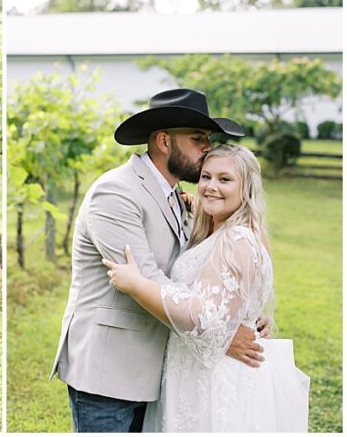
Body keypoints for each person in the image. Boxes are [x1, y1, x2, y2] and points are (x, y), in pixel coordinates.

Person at [50, 88, 269, 432]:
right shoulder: (117, 192)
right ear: (165, 141)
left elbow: (204, 272)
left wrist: (238, 313)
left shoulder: (177, 197)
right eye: (198, 139)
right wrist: (221, 333)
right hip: (110, 370)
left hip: (157, 366)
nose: (207, 147)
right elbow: (149, 280)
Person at [104, 144, 309, 431]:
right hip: (198, 369)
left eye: (225, 180)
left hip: (214, 377)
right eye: (206, 177)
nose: (211, 186)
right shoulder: (228, 227)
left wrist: (136, 285)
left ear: (246, 187)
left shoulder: (236, 238)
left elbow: (206, 319)